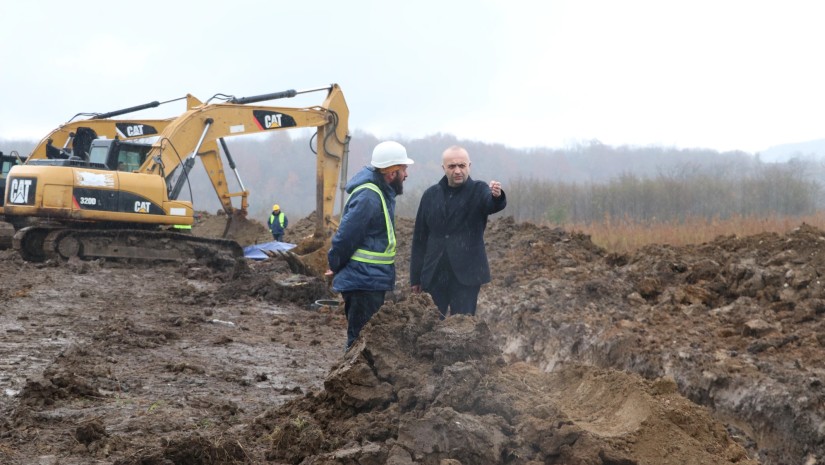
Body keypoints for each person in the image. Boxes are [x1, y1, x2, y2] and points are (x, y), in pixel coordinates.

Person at [327, 141, 414, 349]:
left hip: (368, 279)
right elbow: (345, 237)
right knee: (360, 342)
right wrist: (334, 264)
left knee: (364, 340)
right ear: (391, 173)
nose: (407, 174)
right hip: (363, 281)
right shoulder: (370, 196)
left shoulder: (380, 193)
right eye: (403, 169)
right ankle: (350, 380)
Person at [410, 145, 506, 319]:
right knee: (429, 325)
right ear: (443, 168)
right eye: (452, 166)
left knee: (463, 329)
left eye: (462, 166)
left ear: (469, 166)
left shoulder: (479, 190)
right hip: (434, 275)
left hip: (466, 276)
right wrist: (415, 278)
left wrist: (496, 196)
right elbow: (420, 238)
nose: (457, 171)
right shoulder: (430, 195)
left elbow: (491, 204)